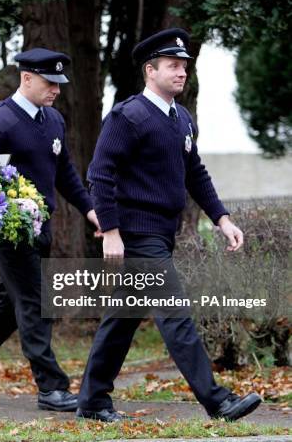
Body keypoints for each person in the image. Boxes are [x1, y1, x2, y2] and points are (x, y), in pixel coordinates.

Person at [76, 28, 262, 422]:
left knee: (120, 323)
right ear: (150, 71)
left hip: (160, 233)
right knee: (176, 315)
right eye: (173, 66)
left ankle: (92, 402)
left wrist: (222, 217)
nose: (182, 73)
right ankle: (219, 401)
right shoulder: (128, 116)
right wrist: (111, 232)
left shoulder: (181, 119)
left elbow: (195, 173)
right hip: (137, 236)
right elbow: (100, 175)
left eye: (184, 67)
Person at [0, 48, 101, 412]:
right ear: (26, 78)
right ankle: (51, 387)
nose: (57, 89)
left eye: (60, 83)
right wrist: (7, 217)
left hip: (41, 228)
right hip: (8, 231)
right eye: (49, 82)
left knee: (12, 305)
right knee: (36, 301)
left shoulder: (54, 121)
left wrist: (91, 209)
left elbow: (66, 175)